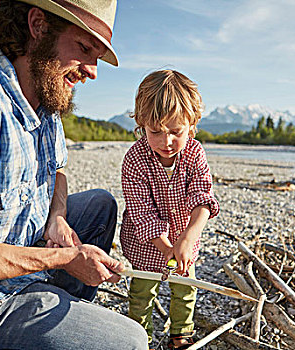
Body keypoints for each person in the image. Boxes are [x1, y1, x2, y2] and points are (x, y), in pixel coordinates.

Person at [0, 0, 148, 349]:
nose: (93, 71)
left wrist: (57, 217)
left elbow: (57, 169)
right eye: (84, 48)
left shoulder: (46, 98)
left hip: (19, 252)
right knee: (129, 341)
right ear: (38, 25)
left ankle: (54, 311)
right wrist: (62, 258)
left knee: (101, 205)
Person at [120, 70, 220, 349]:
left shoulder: (195, 153)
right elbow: (142, 214)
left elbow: (202, 199)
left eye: (176, 132)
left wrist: (187, 239)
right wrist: (166, 250)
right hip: (146, 243)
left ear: (192, 124)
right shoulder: (135, 160)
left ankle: (180, 336)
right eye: (155, 132)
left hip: (185, 237)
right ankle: (139, 337)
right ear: (141, 125)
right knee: (142, 292)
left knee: (185, 290)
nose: (166, 142)